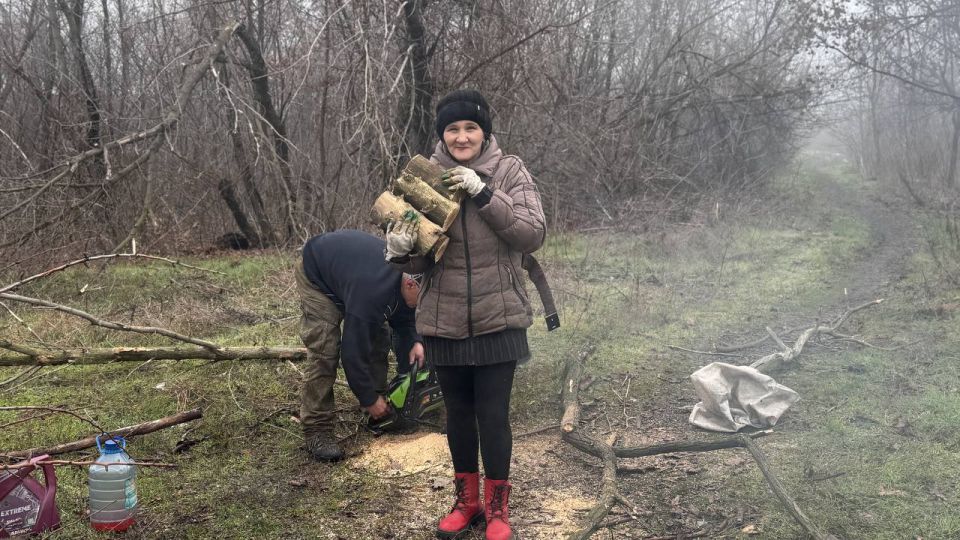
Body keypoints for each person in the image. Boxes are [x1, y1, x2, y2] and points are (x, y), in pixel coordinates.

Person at [385, 89, 545, 540]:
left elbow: (532, 234)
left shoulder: (509, 171)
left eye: (470, 127)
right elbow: (419, 258)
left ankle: (498, 511)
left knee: (493, 414)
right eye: (452, 129)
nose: (461, 136)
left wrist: (485, 193)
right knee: (457, 414)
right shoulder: (425, 178)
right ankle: (466, 502)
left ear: (484, 132)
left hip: (500, 315)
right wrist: (400, 252)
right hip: (444, 318)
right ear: (443, 135)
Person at [297, 229, 425, 462]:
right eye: (423, 296)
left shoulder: (407, 273)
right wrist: (366, 397)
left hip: (351, 275)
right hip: (318, 272)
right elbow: (352, 354)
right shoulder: (373, 293)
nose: (424, 303)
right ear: (409, 285)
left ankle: (379, 406)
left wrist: (415, 341)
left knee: (379, 336)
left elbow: (405, 319)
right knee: (325, 350)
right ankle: (317, 429)